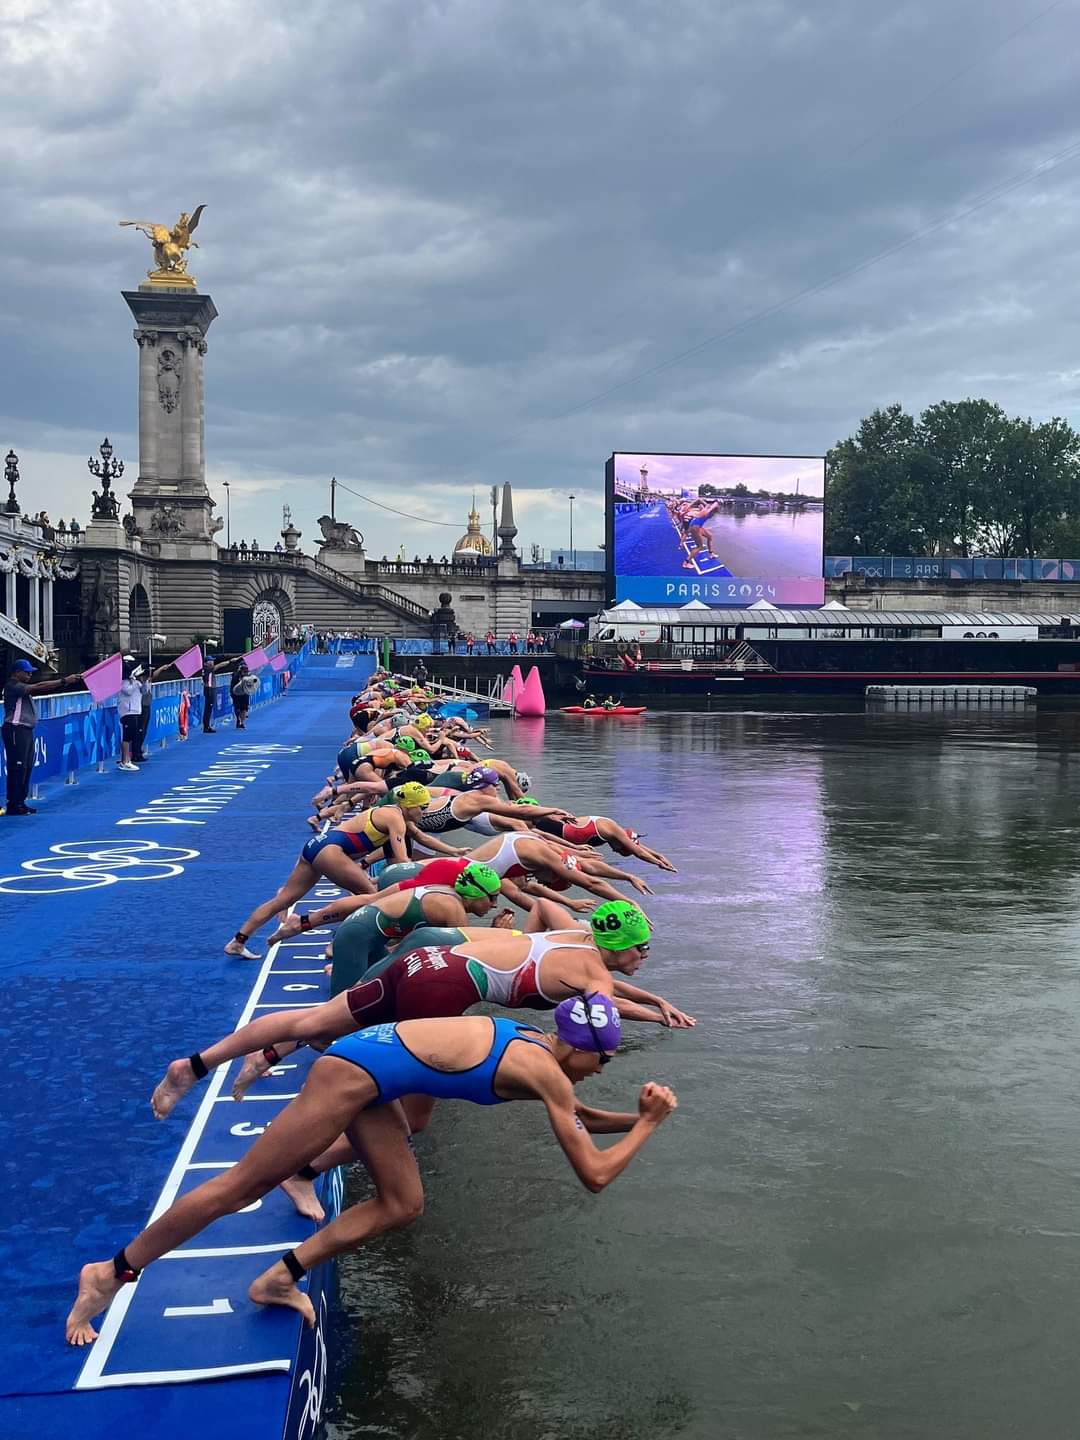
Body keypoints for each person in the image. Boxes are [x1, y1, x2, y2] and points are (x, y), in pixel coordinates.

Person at [66, 996, 678, 1345]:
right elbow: (594, 1175)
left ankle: (277, 1279)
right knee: (241, 1186)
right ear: (575, 1047)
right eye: (602, 1060)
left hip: (377, 1075)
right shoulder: (546, 1072)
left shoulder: (543, 1053)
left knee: (403, 1203)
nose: (603, 1069)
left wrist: (643, 1118)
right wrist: (648, 1125)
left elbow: (581, 1118)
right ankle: (111, 1272)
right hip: (353, 1072)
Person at [223, 783, 433, 959]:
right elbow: (403, 862)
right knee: (371, 898)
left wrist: (447, 854)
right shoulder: (395, 819)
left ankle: (238, 941)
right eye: (423, 807)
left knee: (283, 900)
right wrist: (431, 872)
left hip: (316, 846)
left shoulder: (391, 814)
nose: (425, 812)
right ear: (409, 805)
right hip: (330, 851)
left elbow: (411, 847)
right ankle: (330, 939)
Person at [2, 659, 80, 815]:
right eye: (27, 672)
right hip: (16, 730)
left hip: (25, 730)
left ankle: (20, 802)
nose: (30, 674)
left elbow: (40, 687)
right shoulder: (13, 686)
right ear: (17, 673)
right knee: (18, 767)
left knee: (26, 766)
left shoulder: (20, 686)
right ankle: (14, 803)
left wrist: (64, 683)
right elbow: (38, 687)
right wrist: (63, 681)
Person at [117, 658, 144, 772]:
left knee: (132, 736)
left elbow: (145, 691)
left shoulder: (136, 682)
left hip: (136, 710)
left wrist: (145, 680)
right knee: (127, 737)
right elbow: (128, 691)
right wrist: (134, 681)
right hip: (127, 712)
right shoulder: (123, 682)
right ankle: (124, 761)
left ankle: (128, 759)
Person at [230, 660, 259, 730]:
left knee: (244, 709)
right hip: (236, 694)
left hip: (245, 694)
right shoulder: (235, 675)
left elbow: (254, 681)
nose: (245, 669)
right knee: (237, 709)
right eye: (243, 667)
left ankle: (242, 723)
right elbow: (232, 686)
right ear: (240, 668)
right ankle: (238, 719)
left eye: (246, 667)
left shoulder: (249, 675)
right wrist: (232, 694)